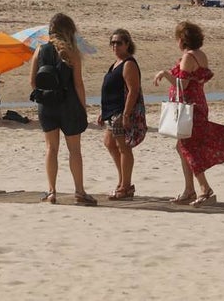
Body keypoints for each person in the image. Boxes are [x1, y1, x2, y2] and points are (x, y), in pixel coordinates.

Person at [153, 21, 224, 206]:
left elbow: (183, 84)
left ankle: (204, 189)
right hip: (198, 104)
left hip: (190, 107)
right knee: (182, 146)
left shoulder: (188, 57)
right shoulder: (200, 55)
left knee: (189, 148)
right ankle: (189, 190)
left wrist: (165, 74)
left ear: (182, 39)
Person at [29, 12, 95, 206]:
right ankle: (79, 191)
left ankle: (51, 191)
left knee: (51, 148)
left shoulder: (40, 50)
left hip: (47, 105)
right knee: (74, 150)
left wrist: (45, 96)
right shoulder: (72, 53)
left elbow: (32, 81)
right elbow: (78, 84)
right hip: (69, 104)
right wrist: (83, 108)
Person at [97, 28, 145, 200]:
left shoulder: (128, 63)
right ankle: (123, 181)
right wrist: (103, 113)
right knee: (109, 143)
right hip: (111, 111)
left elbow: (133, 90)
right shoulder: (116, 63)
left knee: (123, 148)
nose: (115, 45)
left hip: (121, 112)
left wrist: (126, 114)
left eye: (119, 42)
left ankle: (125, 186)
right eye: (113, 42)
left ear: (127, 44)